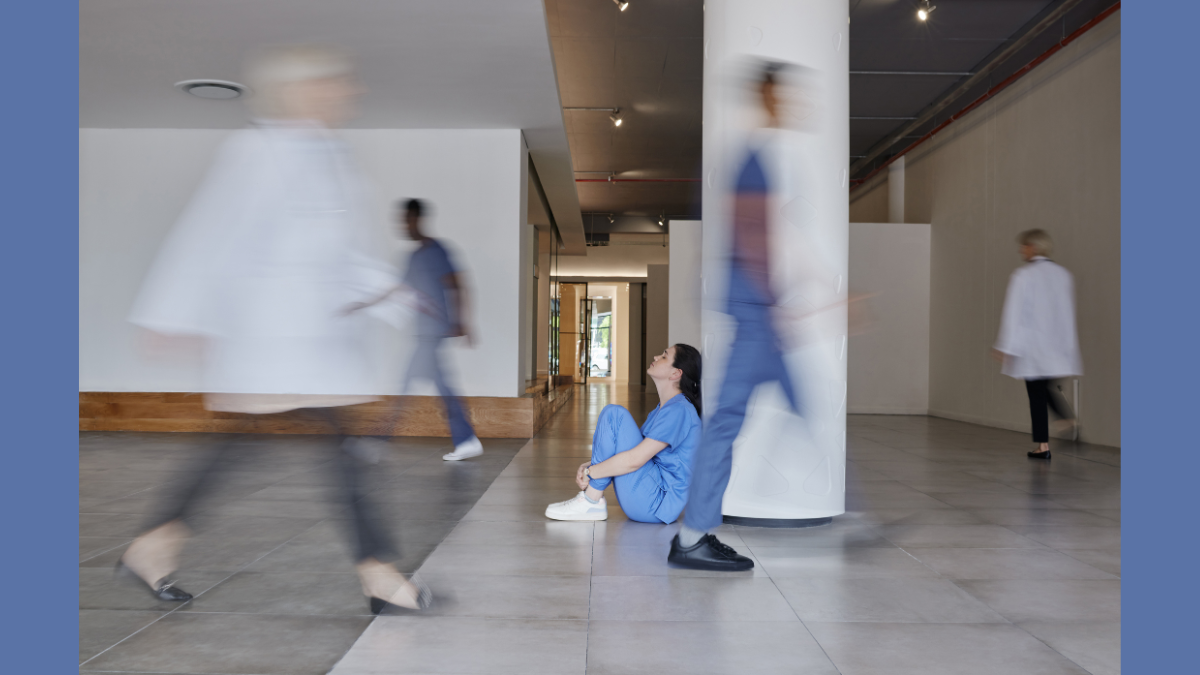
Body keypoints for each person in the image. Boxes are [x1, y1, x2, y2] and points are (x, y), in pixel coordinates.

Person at [118, 45, 430, 614]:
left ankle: (156, 543)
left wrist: (395, 294)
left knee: (260, 444)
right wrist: (171, 315)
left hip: (313, 339)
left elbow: (338, 251)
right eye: (334, 84)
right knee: (316, 447)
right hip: (269, 336)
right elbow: (208, 233)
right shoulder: (254, 150)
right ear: (299, 91)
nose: (348, 93)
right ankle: (377, 572)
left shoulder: (333, 157)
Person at [668, 62, 803, 572]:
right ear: (768, 95)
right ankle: (690, 537)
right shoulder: (753, 161)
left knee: (787, 402)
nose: (791, 104)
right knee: (727, 423)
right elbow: (750, 234)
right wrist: (772, 300)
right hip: (754, 309)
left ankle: (692, 534)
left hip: (755, 306)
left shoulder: (756, 158)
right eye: (784, 94)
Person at [347, 198, 483, 461]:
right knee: (440, 389)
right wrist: (364, 304)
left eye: (406, 219)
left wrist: (463, 321)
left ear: (417, 219)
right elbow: (396, 289)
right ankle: (466, 439)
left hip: (432, 334)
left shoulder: (436, 251)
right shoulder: (414, 257)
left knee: (406, 389)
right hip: (423, 333)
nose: (403, 225)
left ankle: (379, 441)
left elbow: (457, 283)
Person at [545, 344, 703, 523]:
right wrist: (588, 466)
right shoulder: (663, 409)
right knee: (613, 415)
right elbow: (629, 452)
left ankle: (591, 500)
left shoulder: (679, 410)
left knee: (615, 415)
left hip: (655, 503)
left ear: (676, 374)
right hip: (649, 496)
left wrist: (592, 472)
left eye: (665, 356)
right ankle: (590, 501)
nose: (657, 356)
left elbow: (635, 460)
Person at [993, 229, 1082, 459]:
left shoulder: (1023, 275)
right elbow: (1067, 314)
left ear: (1034, 247)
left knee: (1037, 395)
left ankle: (1046, 442)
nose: (1021, 250)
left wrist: (1005, 346)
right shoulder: (1064, 275)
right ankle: (1062, 423)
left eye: (1024, 246)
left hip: (1031, 346)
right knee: (1046, 389)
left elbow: (1013, 313)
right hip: (1057, 346)